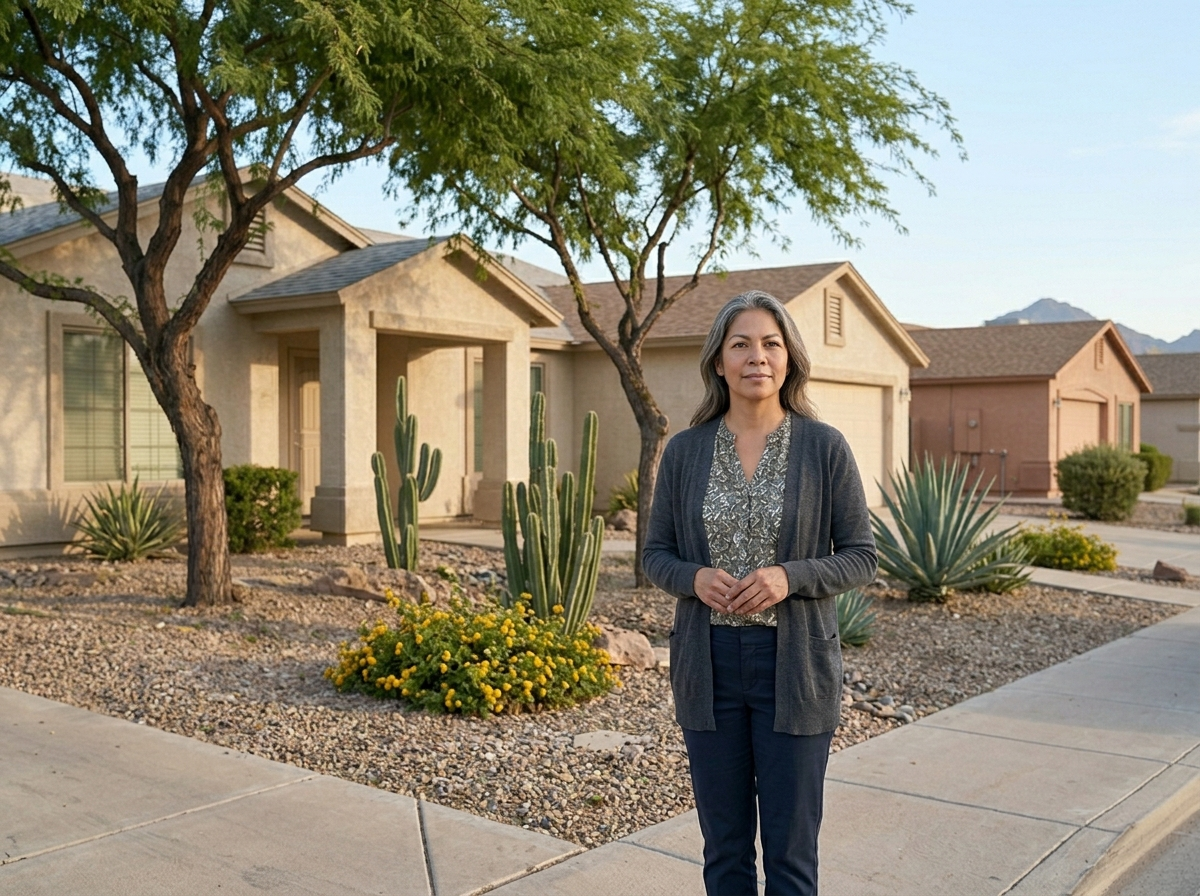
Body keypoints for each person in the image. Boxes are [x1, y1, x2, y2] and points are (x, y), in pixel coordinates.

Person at [643, 290, 877, 895]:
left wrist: (788, 578)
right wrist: (693, 578)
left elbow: (862, 556)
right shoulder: (686, 451)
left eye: (771, 343)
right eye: (740, 343)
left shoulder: (823, 447)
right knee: (724, 852)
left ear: (790, 358)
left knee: (791, 856)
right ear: (719, 361)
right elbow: (655, 555)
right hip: (709, 669)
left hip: (793, 669)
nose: (757, 356)